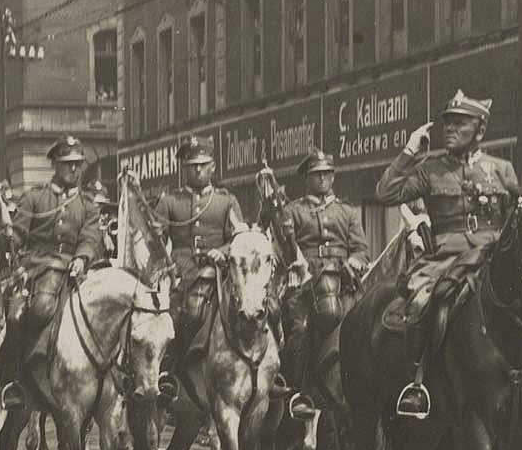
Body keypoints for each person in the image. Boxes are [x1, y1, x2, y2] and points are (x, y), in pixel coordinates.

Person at [372, 90, 522, 418]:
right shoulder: (430, 170)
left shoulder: (501, 170)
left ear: (480, 130)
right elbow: (385, 193)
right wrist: (410, 152)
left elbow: (518, 220)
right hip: (445, 260)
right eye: (447, 123)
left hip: (494, 257)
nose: (450, 129)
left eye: (459, 123)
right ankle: (417, 382)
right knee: (422, 302)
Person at [0, 135, 105, 409]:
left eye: (78, 164)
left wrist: (82, 258)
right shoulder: (36, 197)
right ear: (55, 165)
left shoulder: (87, 204)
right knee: (20, 314)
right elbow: (19, 235)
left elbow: (91, 237)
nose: (74, 170)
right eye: (68, 164)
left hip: (74, 269)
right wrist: (11, 237)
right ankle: (16, 380)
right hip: (37, 268)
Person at [263, 150, 369, 412]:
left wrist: (355, 261)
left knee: (363, 325)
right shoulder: (294, 211)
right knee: (298, 330)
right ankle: (298, 391)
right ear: (306, 179)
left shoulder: (347, 211)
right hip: (306, 283)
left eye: (327, 174)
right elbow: (285, 253)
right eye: (316, 175)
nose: (323, 179)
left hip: (342, 282)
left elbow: (361, 249)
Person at [150, 136, 247, 395]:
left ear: (213, 166)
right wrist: (159, 239)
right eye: (192, 165)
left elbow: (240, 238)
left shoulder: (227, 201)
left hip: (220, 273)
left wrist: (223, 251)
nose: (198, 170)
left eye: (203, 165)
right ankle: (168, 374)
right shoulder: (170, 201)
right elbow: (156, 243)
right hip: (183, 273)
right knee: (170, 321)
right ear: (185, 169)